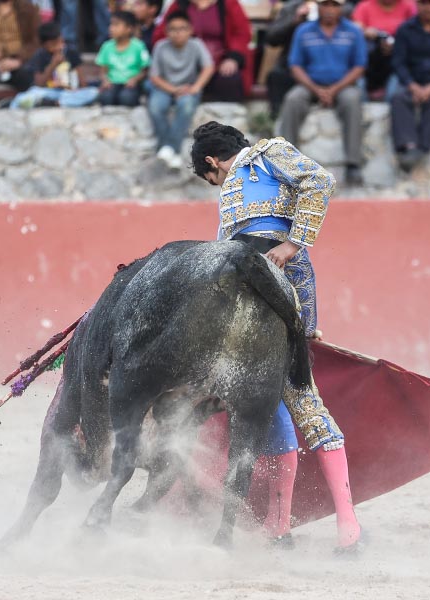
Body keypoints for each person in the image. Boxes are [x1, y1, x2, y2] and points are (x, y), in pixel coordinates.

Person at [190, 121, 362, 552]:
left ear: (212, 163)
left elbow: (320, 180)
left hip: (281, 274)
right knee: (274, 399)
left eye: (212, 178)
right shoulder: (238, 191)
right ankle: (282, 527)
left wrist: (294, 242)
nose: (218, 185)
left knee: (299, 395)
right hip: (245, 276)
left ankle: (341, 527)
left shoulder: (268, 152)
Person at [280, 0, 367, 186]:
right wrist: (316, 89)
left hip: (343, 86)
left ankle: (353, 165)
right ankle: (285, 162)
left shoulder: (353, 31)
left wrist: (334, 90)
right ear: (317, 7)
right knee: (292, 99)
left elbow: (359, 67)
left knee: (353, 100)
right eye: (325, 4)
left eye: (334, 5)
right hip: (310, 84)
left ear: (341, 8)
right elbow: (295, 65)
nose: (329, 9)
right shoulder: (304, 31)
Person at [148, 11, 214, 169]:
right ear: (166, 31)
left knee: (186, 106)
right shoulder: (160, 46)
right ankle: (173, 151)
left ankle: (168, 149)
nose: (178, 33)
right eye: (173, 29)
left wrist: (196, 87)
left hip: (189, 88)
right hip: (165, 87)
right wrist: (174, 90)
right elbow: (155, 76)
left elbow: (208, 67)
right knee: (156, 107)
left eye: (182, 28)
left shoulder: (196, 44)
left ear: (190, 29)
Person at [152, 0, 252, 102]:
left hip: (220, 63)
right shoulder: (179, 4)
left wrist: (232, 58)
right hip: (186, 66)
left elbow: (242, 33)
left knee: (230, 79)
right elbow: (162, 33)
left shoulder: (228, 3)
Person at [9, 21, 99, 108]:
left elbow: (83, 82)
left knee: (92, 92)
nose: (58, 46)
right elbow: (38, 84)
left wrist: (74, 88)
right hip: (48, 92)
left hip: (68, 93)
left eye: (59, 42)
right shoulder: (40, 55)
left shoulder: (71, 52)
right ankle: (15, 105)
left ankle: (56, 103)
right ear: (44, 45)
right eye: (53, 44)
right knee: (29, 94)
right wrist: (53, 65)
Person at [0, 0, 39, 123]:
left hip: (18, 63)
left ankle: (29, 125)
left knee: (32, 86)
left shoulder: (28, 9)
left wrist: (19, 60)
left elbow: (36, 42)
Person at [390, 0, 430, 172]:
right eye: (423, 3)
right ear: (417, 5)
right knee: (398, 98)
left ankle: (425, 145)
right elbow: (398, 62)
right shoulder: (405, 29)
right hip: (410, 82)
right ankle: (409, 146)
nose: (427, 7)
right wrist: (412, 85)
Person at [352, 0, 417, 101]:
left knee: (395, 90)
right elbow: (355, 30)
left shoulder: (409, 6)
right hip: (370, 64)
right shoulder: (365, 6)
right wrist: (366, 32)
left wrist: (397, 44)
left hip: (398, 62)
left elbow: (417, 30)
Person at [96, 10, 150, 107]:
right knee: (105, 97)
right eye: (111, 25)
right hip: (112, 83)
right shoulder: (106, 46)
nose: (111, 28)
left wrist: (135, 79)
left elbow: (144, 70)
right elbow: (103, 70)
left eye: (116, 25)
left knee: (127, 98)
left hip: (130, 84)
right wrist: (105, 80)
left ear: (129, 28)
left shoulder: (138, 46)